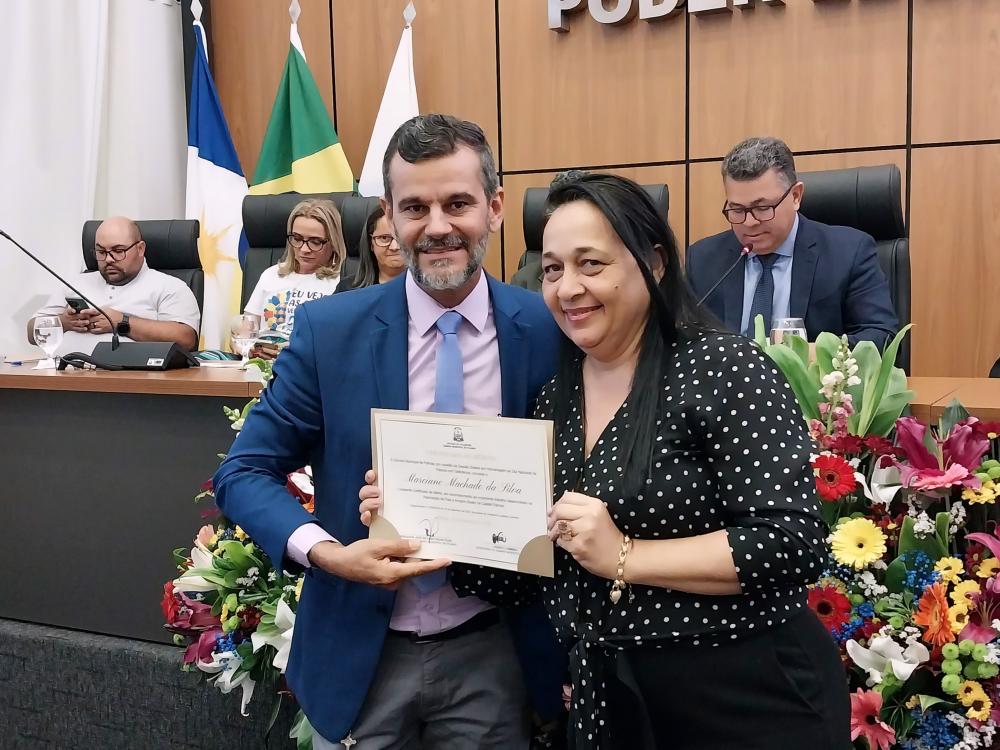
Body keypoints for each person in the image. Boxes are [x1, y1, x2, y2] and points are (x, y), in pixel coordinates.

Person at [213, 114, 565, 749]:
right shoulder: (330, 332)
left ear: (495, 207)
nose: (437, 226)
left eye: (457, 202)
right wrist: (328, 553)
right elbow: (242, 473)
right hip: (360, 652)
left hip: (496, 649)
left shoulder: (548, 329)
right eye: (415, 206)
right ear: (390, 215)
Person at [534, 173, 849, 748]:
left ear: (653, 264)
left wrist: (626, 555)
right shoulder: (554, 393)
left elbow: (792, 541)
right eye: (552, 269)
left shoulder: (725, 368)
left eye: (591, 264)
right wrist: (415, 507)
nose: (567, 287)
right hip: (612, 701)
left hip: (745, 697)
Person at [686, 136, 898, 348]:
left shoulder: (849, 252)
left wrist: (810, 355)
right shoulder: (703, 259)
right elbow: (678, 337)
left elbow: (881, 337)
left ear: (796, 196)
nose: (749, 222)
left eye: (762, 208)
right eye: (737, 210)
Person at [27, 216, 200, 356]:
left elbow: (186, 339)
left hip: (134, 385)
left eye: (118, 251)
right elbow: (32, 333)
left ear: (140, 249)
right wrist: (64, 322)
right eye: (101, 252)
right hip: (64, 379)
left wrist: (122, 322)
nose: (108, 259)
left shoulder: (169, 287)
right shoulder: (75, 283)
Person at [244, 198, 346, 358]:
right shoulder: (270, 275)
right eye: (297, 239)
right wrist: (250, 349)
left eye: (315, 242)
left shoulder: (342, 281)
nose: (304, 249)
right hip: (262, 366)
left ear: (333, 242)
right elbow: (245, 331)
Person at [335, 205, 406, 292]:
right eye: (384, 238)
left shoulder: (426, 289)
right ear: (371, 243)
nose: (394, 247)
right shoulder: (347, 290)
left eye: (401, 238)